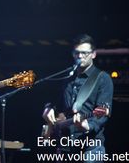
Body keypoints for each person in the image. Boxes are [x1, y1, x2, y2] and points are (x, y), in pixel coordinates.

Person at [42, 34, 113, 163]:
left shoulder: (103, 78)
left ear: (93, 54)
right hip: (64, 145)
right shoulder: (67, 77)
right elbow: (54, 101)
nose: (80, 57)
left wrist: (87, 125)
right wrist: (48, 108)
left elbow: (103, 113)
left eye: (84, 53)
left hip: (90, 147)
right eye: (77, 53)